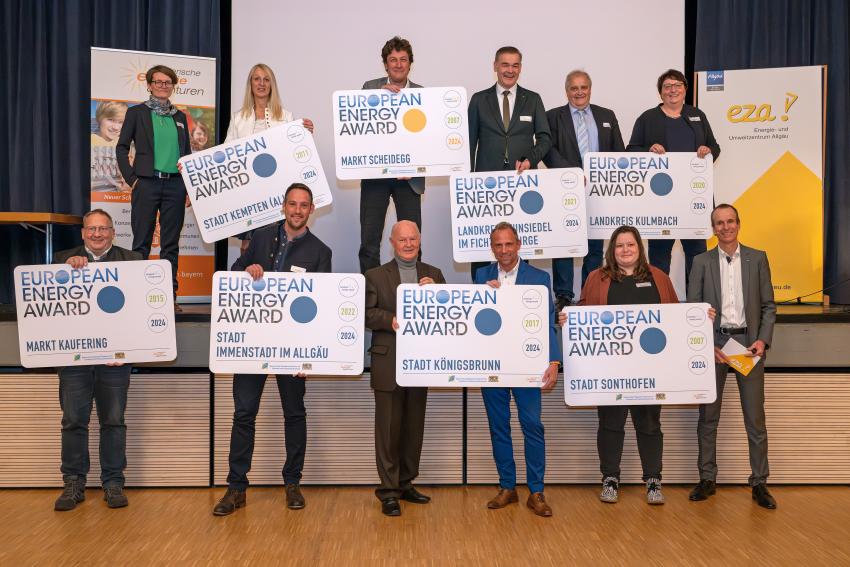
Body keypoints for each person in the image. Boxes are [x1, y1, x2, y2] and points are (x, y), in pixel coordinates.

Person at [213, 183, 332, 516]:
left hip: (293, 350)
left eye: (304, 205)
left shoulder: (321, 252)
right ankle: (236, 488)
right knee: (243, 414)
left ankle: (292, 483)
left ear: (311, 210)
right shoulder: (260, 238)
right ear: (283, 207)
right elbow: (233, 275)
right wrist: (246, 270)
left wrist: (309, 358)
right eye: (292, 204)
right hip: (252, 344)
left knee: (294, 415)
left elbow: (321, 308)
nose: (297, 210)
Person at [575, 225, 683, 505]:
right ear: (612, 250)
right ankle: (610, 478)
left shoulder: (658, 277)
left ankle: (653, 481)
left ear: (639, 248)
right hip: (610, 369)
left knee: (649, 424)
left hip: (650, 369)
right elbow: (583, 317)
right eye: (620, 245)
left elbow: (675, 317)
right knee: (610, 424)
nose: (625, 250)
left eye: (631, 245)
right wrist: (568, 320)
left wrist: (699, 317)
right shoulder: (596, 278)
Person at [687, 204, 777, 509]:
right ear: (713, 229)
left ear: (739, 224)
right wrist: (705, 344)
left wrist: (763, 341)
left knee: (755, 419)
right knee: (707, 418)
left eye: (730, 221)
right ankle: (707, 478)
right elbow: (693, 310)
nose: (725, 227)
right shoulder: (700, 262)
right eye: (719, 223)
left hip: (749, 347)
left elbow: (769, 307)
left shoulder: (758, 258)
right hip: (715, 346)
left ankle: (760, 483)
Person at [52, 209, 142, 511]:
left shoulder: (133, 262)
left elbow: (141, 314)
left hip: (115, 360)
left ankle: (113, 483)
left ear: (113, 233)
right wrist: (65, 271)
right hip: (73, 359)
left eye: (103, 229)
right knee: (73, 421)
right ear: (82, 233)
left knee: (113, 421)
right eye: (91, 229)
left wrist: (128, 350)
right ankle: (73, 483)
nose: (97, 234)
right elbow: (49, 305)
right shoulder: (60, 260)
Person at [474, 222, 559, 517]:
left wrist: (554, 361)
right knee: (499, 429)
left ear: (519, 244)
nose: (504, 250)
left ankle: (536, 492)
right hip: (492, 365)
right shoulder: (481, 276)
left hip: (528, 364)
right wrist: (485, 297)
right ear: (491, 247)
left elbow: (548, 321)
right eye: (498, 245)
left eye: (509, 244)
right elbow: (474, 321)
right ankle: (507, 487)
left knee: (532, 426)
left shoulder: (539, 277)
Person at [365, 220, 445, 516]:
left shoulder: (433, 274)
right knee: (388, 429)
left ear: (419, 240)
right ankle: (388, 491)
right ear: (392, 242)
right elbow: (367, 314)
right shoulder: (374, 275)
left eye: (413, 239)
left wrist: (438, 294)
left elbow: (450, 314)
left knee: (413, 428)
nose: (409, 244)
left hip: (422, 363)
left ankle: (405, 483)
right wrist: (391, 320)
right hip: (389, 362)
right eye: (403, 240)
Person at [627, 69, 721, 287]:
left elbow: (714, 147)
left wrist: (708, 150)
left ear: (685, 90)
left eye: (677, 85)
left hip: (694, 198)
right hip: (661, 200)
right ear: (660, 93)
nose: (673, 90)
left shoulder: (697, 115)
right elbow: (631, 149)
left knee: (697, 255)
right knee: (660, 255)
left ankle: (697, 302)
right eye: (667, 86)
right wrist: (648, 150)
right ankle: (661, 300)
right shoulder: (648, 118)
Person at [543, 70, 625, 311]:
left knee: (594, 244)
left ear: (590, 88)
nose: (579, 92)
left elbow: (618, 151)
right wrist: (573, 174)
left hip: (598, 191)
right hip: (565, 189)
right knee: (565, 242)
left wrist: (605, 174)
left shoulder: (606, 115)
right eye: (574, 88)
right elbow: (548, 151)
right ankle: (564, 295)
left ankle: (590, 293)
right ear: (566, 90)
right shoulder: (552, 117)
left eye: (584, 87)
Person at [467, 46, 551, 279]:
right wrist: (467, 180)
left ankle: (522, 292)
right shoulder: (478, 100)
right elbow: (468, 143)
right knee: (483, 241)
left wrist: (530, 160)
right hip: (485, 186)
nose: (510, 70)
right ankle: (482, 291)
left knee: (518, 239)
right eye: (505, 64)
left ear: (520, 68)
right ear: (495, 66)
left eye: (515, 65)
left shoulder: (533, 100)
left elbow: (545, 139)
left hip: (521, 183)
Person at [116, 65, 192, 308]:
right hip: (146, 184)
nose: (162, 85)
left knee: (170, 244)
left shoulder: (179, 117)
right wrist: (133, 179)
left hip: (176, 187)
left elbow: (187, 155)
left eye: (167, 82)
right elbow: (121, 148)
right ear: (149, 85)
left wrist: (189, 187)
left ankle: (169, 297)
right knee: (141, 243)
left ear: (172, 86)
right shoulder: (136, 113)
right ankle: (139, 298)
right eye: (158, 82)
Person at [225, 63, 315, 253]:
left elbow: (294, 149)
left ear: (272, 85)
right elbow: (226, 153)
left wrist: (305, 135)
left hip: (276, 190)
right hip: (247, 191)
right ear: (250, 84)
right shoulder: (238, 117)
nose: (261, 83)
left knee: (276, 243)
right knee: (248, 245)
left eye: (266, 79)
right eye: (257, 79)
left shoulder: (285, 116)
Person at [358, 37, 425, 275]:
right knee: (369, 243)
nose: (398, 65)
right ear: (386, 65)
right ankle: (371, 299)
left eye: (403, 60)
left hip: (409, 180)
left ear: (410, 64)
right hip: (375, 175)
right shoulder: (370, 88)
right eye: (393, 60)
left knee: (413, 243)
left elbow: (429, 140)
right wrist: (377, 99)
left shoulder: (423, 94)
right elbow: (360, 128)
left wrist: (415, 166)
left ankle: (414, 295)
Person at [91, 101, 130, 192]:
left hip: (118, 195)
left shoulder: (126, 145)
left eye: (121, 122)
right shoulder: (89, 141)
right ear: (99, 119)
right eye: (111, 119)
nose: (116, 127)